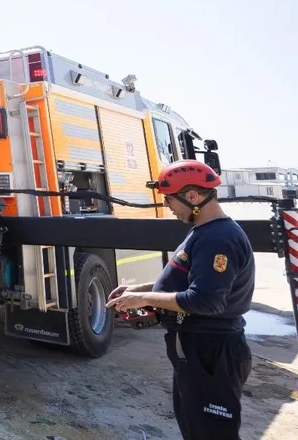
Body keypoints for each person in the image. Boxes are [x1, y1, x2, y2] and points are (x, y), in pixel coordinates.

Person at [107, 159, 255, 440]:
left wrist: (143, 298)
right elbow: (191, 281)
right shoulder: (205, 232)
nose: (167, 206)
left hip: (212, 353)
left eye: (169, 199)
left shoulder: (219, 239)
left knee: (211, 434)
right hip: (197, 348)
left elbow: (205, 300)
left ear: (193, 196)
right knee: (195, 429)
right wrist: (140, 288)